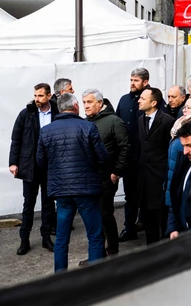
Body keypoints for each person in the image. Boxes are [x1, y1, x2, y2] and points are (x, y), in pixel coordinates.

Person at [37, 93, 108, 272]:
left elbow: (40, 161)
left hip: (61, 190)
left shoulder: (46, 130)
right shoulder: (88, 127)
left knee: (61, 237)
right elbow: (103, 157)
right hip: (86, 189)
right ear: (75, 106)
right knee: (95, 235)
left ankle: (60, 276)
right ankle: (96, 278)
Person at [9, 83, 58, 255]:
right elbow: (16, 139)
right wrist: (13, 163)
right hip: (30, 166)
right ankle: (24, 240)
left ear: (49, 96)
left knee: (48, 204)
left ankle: (46, 238)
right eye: (35, 95)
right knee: (28, 205)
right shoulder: (26, 113)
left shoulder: (57, 113)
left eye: (40, 96)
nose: (37, 99)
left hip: (50, 165)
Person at [82, 89, 130, 256]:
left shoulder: (114, 121)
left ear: (100, 103)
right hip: (90, 176)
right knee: (93, 215)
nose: (86, 106)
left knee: (104, 213)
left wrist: (117, 172)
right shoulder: (85, 121)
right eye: (84, 102)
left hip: (107, 176)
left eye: (89, 102)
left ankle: (112, 249)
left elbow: (125, 148)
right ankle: (98, 253)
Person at [137, 87, 175, 245]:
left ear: (153, 103)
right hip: (144, 178)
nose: (139, 100)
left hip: (160, 176)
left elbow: (169, 149)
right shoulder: (141, 120)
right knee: (147, 217)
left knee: (162, 216)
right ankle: (151, 248)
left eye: (143, 98)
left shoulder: (167, 121)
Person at [116, 67, 149, 242]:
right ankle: (129, 228)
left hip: (147, 159)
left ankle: (146, 224)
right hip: (129, 159)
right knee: (130, 196)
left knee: (147, 195)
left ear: (145, 82)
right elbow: (117, 124)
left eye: (136, 80)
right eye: (131, 80)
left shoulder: (152, 99)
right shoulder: (124, 100)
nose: (132, 83)